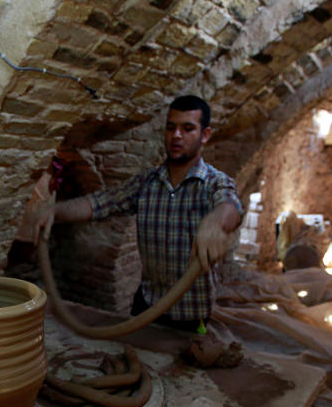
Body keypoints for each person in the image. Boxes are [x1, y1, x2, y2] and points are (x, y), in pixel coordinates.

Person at [25, 95, 244, 333]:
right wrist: (54, 211)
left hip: (191, 317)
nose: (176, 136)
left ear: (205, 135)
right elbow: (100, 203)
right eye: (171, 128)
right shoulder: (147, 182)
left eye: (188, 128)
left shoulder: (215, 183)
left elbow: (230, 206)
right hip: (146, 307)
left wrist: (216, 221)